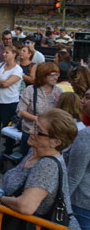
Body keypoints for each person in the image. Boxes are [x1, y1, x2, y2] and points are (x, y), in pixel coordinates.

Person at [0, 109, 79, 228]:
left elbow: (25, 206)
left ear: (55, 142)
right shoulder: (34, 150)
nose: (31, 131)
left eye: (39, 131)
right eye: (35, 126)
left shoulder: (47, 165)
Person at [17, 62, 63, 157]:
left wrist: (59, 103)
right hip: (31, 132)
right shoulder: (31, 90)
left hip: (49, 136)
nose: (56, 78)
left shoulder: (59, 91)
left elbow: (61, 115)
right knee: (27, 160)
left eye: (57, 74)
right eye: (52, 75)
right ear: (43, 75)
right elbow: (20, 111)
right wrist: (36, 119)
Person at [67, 89, 90, 228]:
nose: (82, 101)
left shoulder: (86, 136)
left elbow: (73, 176)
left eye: (87, 97)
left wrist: (60, 204)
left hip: (82, 204)